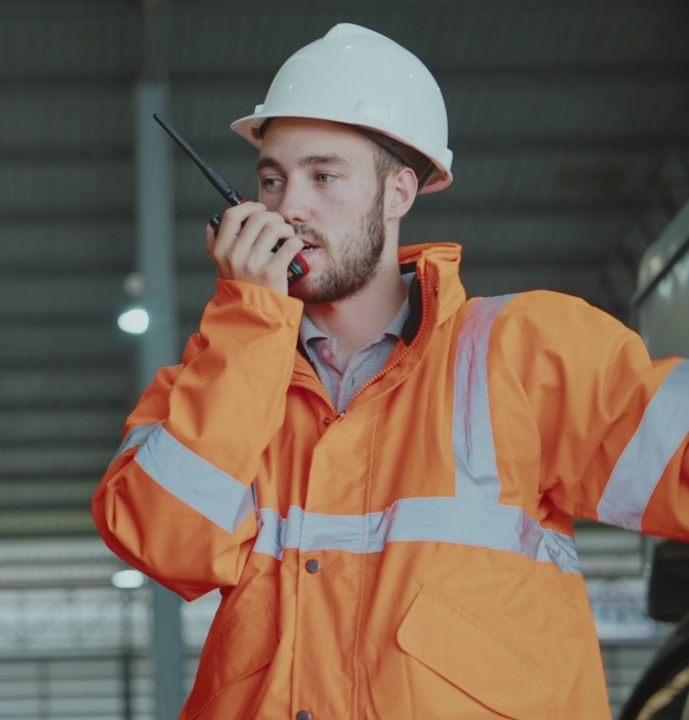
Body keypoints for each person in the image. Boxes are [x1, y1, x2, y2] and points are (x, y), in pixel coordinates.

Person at [92, 22, 689, 720]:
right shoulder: (217, 377)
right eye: (271, 180)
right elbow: (162, 543)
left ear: (400, 192)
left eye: (324, 176)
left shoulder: (526, 354)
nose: (290, 208)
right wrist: (251, 320)